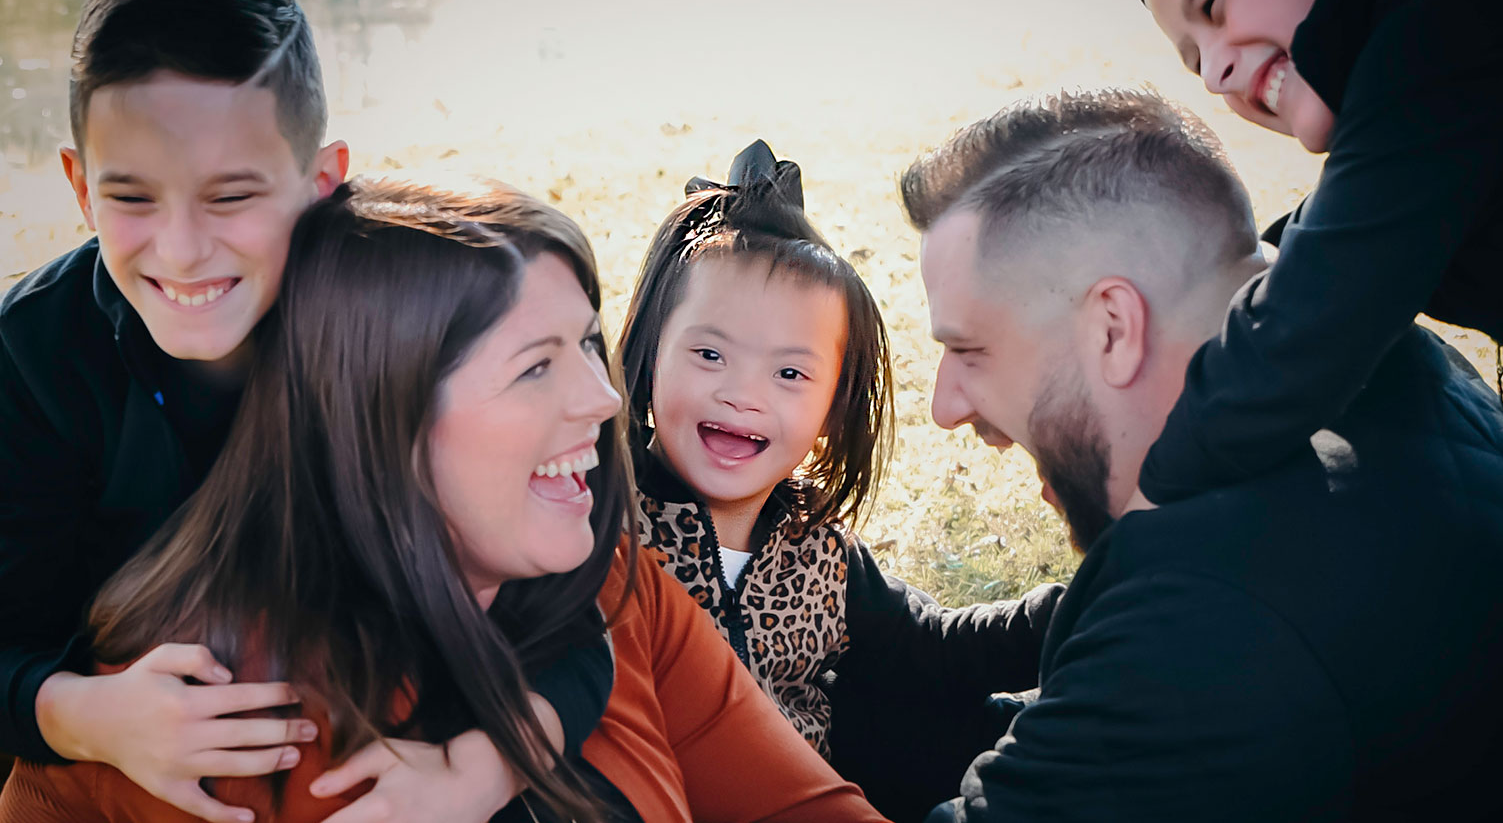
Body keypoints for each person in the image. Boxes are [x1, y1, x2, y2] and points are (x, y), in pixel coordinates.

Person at [0, 176, 891, 823]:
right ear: (381, 425)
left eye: (586, 343)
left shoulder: (609, 589)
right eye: (535, 367)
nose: (605, 397)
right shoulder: (196, 729)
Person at [0, 0, 607, 823]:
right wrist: (84, 718)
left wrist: (482, 772)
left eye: (230, 196)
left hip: (383, 720)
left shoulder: (374, 316)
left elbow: (571, 629)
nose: (181, 250)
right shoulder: (28, 357)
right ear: (78, 188)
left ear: (322, 182)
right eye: (132, 198)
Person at [900, 88, 1503, 821]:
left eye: (968, 349)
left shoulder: (1202, 620)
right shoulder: (1391, 373)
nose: (947, 406)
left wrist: (760, 737)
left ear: (1113, 327)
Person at [616, 141, 1063, 821]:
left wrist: (1071, 611)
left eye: (790, 374)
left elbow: (932, 650)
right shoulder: (610, 536)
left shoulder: (819, 551)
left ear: (833, 411)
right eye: (710, 354)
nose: (744, 394)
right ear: (650, 360)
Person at [1117, 0, 1503, 508]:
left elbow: (1308, 333)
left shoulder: (1451, 17)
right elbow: (1344, 234)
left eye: (1215, 3)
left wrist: (1135, 501)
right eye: (1195, 60)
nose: (1216, 73)